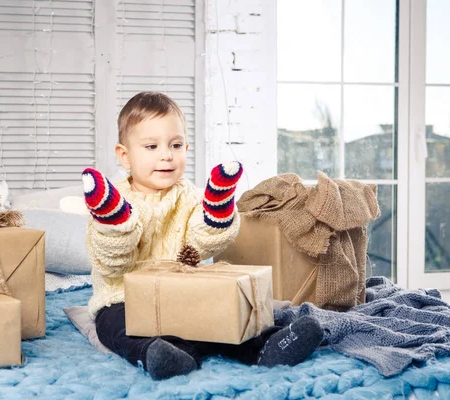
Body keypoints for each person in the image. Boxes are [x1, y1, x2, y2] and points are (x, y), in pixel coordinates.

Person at [81, 91, 323, 380]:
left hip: (182, 293)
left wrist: (215, 214)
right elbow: (111, 263)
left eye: (176, 145)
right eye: (151, 146)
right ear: (125, 155)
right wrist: (116, 224)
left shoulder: (190, 197)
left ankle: (268, 344)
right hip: (123, 298)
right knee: (114, 327)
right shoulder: (113, 198)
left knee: (219, 316)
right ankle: (158, 353)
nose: (166, 155)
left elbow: (201, 244)